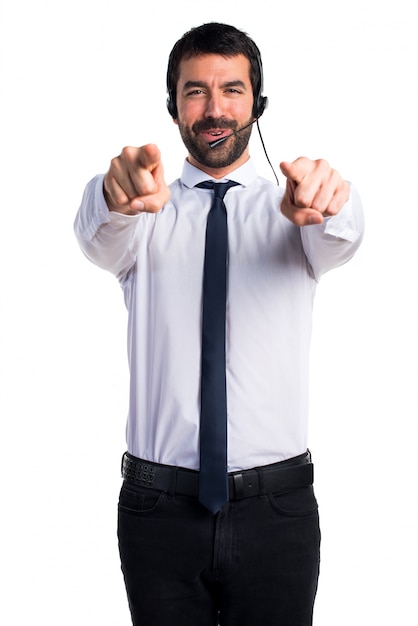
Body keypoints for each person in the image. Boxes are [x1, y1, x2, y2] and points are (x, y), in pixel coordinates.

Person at [74, 22, 364, 626]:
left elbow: (343, 233)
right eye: (195, 92)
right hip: (159, 510)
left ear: (256, 103)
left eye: (232, 90)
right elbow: (96, 233)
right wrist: (112, 191)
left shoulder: (294, 211)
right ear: (174, 106)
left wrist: (334, 201)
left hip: (277, 511)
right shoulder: (144, 211)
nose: (214, 109)